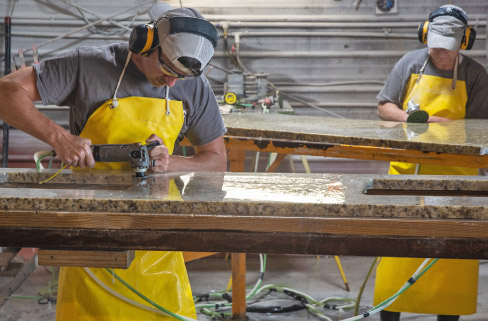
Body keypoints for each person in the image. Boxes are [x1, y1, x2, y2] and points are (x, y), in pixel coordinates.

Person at [0, 3, 227, 320]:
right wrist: (58, 137)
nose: (173, 83)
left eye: (180, 76)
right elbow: (6, 92)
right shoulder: (88, 65)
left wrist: (173, 163)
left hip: (158, 239)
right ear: (145, 43)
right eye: (166, 71)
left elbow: (217, 163)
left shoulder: (193, 86)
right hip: (90, 234)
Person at [373, 4, 488, 321]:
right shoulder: (410, 63)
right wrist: (414, 119)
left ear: (464, 42)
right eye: (434, 45)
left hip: (455, 177)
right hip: (406, 173)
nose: (440, 53)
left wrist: (442, 126)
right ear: (425, 36)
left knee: (448, 259)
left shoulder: (475, 75)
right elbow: (384, 106)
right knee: (398, 253)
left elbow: (480, 131)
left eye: (446, 47)